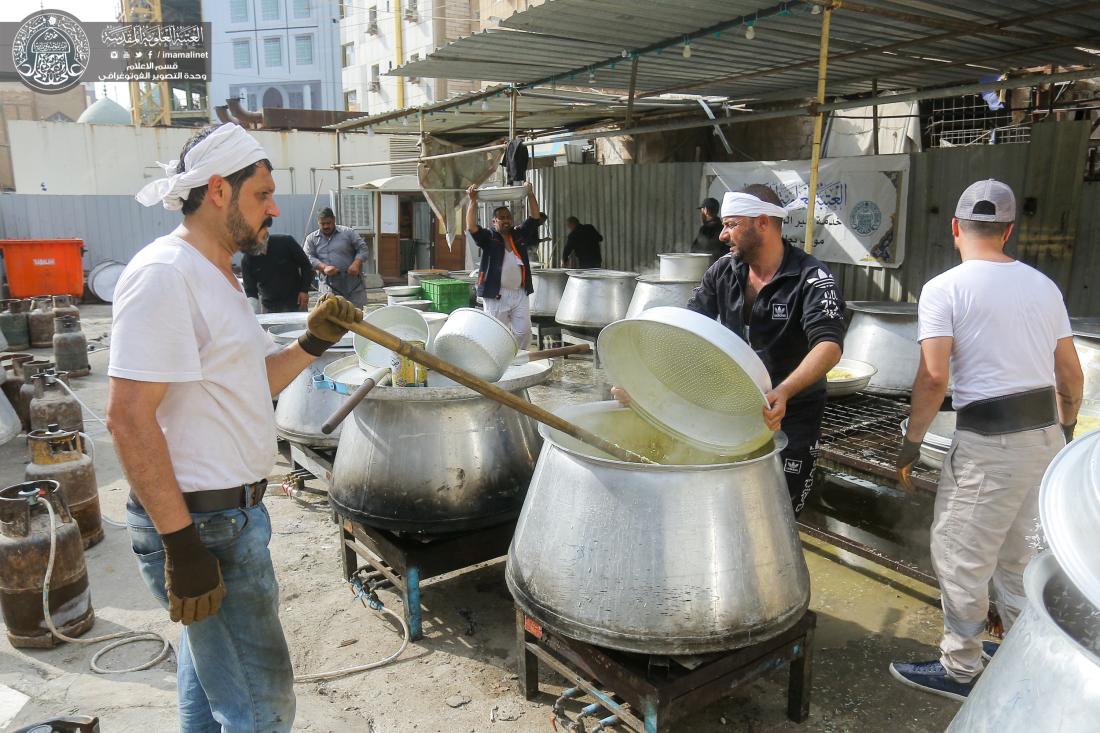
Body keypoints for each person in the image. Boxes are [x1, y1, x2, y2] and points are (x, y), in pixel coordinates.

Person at [117, 122, 363, 732]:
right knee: (261, 706)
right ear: (218, 191)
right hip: (202, 527)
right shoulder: (165, 275)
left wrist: (312, 342)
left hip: (226, 519)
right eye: (263, 194)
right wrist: (181, 545)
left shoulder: (217, 274)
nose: (275, 208)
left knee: (209, 683)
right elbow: (127, 418)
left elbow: (250, 383)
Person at [889, 179, 1083, 701]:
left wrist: (912, 441)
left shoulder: (944, 288)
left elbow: (934, 378)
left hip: (989, 445)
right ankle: (1024, 654)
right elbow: (1070, 374)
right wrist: (1063, 431)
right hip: (1042, 436)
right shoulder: (1043, 286)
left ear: (955, 228)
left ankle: (960, 668)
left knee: (960, 557)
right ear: (1009, 231)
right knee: (1019, 556)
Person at [616, 186, 846, 515]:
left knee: (778, 513)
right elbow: (684, 331)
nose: (723, 235)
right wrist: (644, 381)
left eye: (732, 224)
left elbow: (829, 345)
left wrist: (784, 390)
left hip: (790, 414)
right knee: (727, 510)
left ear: (763, 222)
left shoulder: (811, 278)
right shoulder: (724, 271)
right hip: (731, 407)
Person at [466, 181, 543, 350]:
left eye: (508, 217)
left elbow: (535, 217)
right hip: (496, 294)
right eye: (502, 218)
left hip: (520, 293)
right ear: (494, 221)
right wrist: (472, 201)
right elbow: (471, 227)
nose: (506, 220)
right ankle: (498, 361)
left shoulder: (518, 235)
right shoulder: (488, 237)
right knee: (496, 333)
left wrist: (529, 193)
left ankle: (520, 360)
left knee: (523, 332)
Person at [304, 207, 370, 307]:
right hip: (328, 288)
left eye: (329, 223)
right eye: (323, 224)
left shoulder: (348, 233)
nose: (326, 226)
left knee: (357, 316)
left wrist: (356, 264)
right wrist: (324, 267)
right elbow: (308, 257)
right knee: (331, 318)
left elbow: (363, 248)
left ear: (334, 219)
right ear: (318, 222)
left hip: (353, 286)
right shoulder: (311, 239)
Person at [241, 233, 313, 313]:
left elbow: (306, 265)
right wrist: (253, 314)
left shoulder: (286, 242)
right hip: (270, 307)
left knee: (301, 326)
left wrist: (304, 290)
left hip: (296, 302)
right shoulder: (247, 259)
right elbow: (250, 291)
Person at [691, 197, 726, 265]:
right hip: (721, 268)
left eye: (702, 210)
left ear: (706, 210)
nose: (701, 214)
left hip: (707, 269)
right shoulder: (723, 229)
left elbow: (696, 251)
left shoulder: (705, 230)